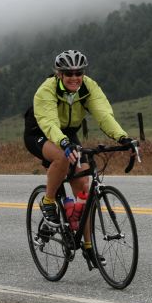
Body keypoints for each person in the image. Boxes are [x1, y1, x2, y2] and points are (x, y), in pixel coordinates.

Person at [23, 49, 133, 269]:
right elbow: (50, 123)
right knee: (62, 158)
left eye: (78, 72)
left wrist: (123, 138)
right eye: (68, 73)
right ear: (59, 74)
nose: (74, 77)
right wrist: (63, 143)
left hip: (68, 133)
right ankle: (48, 202)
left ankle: (89, 246)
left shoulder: (88, 87)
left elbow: (103, 114)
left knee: (84, 187)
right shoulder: (47, 90)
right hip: (40, 131)